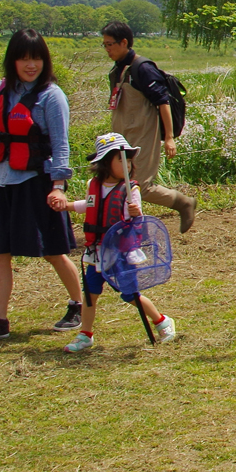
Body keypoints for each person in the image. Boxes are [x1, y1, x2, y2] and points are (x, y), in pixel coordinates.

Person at [0, 29, 83, 342]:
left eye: (37, 58)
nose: (31, 65)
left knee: (54, 251)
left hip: (37, 182)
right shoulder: (0, 90)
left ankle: (78, 305)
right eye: (24, 58)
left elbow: (60, 145)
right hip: (3, 182)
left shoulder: (51, 96)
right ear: (12, 61)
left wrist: (58, 186)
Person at [62, 133, 176, 353]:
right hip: (96, 252)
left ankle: (162, 321)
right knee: (90, 293)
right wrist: (66, 205)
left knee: (130, 294)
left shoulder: (131, 190)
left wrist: (135, 212)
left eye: (129, 159)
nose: (128, 164)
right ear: (105, 162)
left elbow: (136, 220)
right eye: (120, 159)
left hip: (119, 252)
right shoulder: (93, 185)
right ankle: (85, 335)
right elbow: (90, 204)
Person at [101, 22, 197, 234]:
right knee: (118, 181)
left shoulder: (142, 68)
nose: (107, 49)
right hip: (121, 137)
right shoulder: (118, 69)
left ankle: (183, 203)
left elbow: (163, 102)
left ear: (124, 42)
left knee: (140, 186)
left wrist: (169, 137)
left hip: (143, 135)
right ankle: (125, 228)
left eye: (110, 44)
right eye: (104, 44)